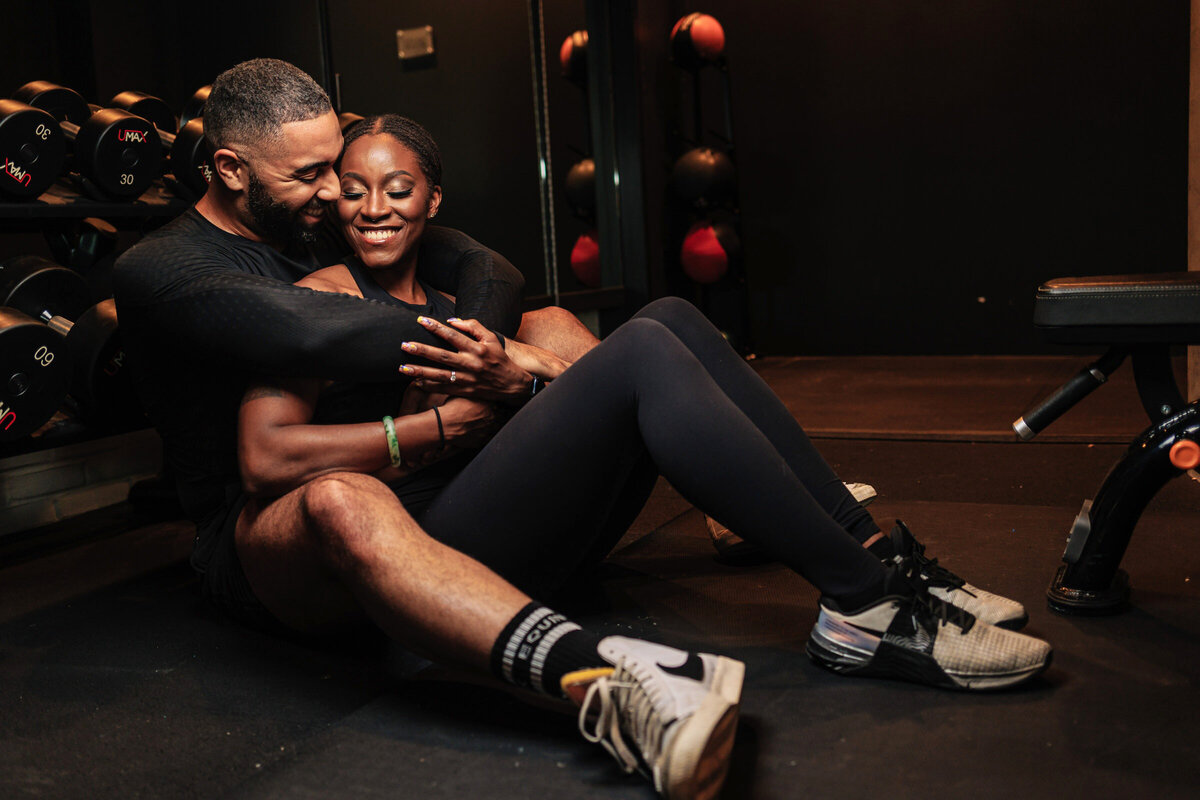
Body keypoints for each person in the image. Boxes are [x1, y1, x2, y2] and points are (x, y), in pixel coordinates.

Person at [235, 114, 1051, 708]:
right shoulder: (316, 302)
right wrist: (434, 428)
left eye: (398, 189)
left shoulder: (462, 300)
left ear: (432, 199)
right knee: (644, 348)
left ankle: (876, 558)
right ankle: (864, 602)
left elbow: (534, 394)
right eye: (353, 191)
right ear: (333, 205)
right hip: (428, 556)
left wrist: (521, 372)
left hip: (510, 527)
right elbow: (263, 457)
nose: (374, 207)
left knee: (672, 316)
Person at [113, 58, 747, 800]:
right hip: (262, 521)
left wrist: (500, 351)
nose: (336, 192)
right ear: (230, 168)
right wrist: (478, 376)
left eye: (338, 173)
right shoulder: (162, 268)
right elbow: (303, 336)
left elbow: (481, 260)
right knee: (342, 496)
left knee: (556, 322)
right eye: (315, 174)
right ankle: (604, 683)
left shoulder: (312, 218)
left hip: (401, 475)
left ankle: (735, 489)